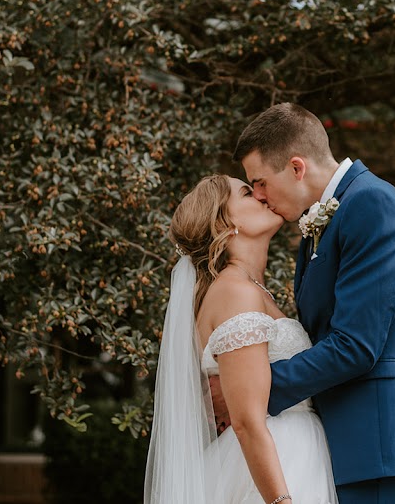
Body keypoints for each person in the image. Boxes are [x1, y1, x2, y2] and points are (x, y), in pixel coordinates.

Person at [225, 102, 395, 504]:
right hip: (350, 432)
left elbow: (356, 345)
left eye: (261, 182)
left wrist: (249, 392)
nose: (260, 196)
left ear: (297, 167)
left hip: (379, 436)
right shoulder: (325, 218)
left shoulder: (373, 206)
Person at [143, 174, 338, 504]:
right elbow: (247, 421)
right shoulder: (235, 291)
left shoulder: (253, 290)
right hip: (273, 468)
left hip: (297, 454)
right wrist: (280, 501)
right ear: (225, 223)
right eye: (248, 193)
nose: (263, 196)